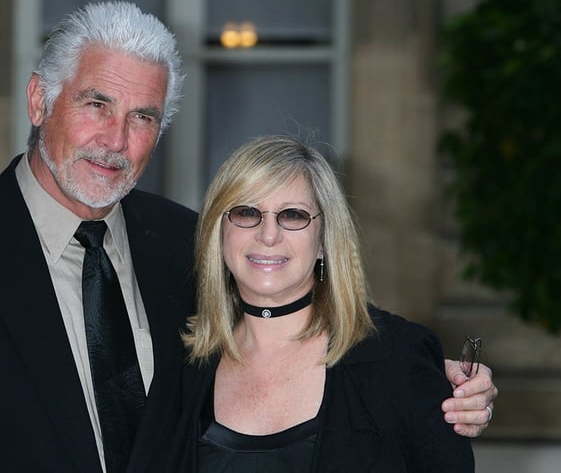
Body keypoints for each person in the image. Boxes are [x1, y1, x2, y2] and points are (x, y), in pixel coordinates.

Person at [0, 1, 494, 473]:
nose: (116, 139)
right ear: (40, 101)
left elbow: (293, 317)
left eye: (143, 116)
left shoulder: (184, 242)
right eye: (96, 104)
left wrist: (429, 379)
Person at [146, 135, 475, 471]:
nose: (268, 235)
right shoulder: (182, 369)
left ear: (323, 241)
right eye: (247, 212)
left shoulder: (398, 358)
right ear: (220, 233)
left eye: (292, 215)